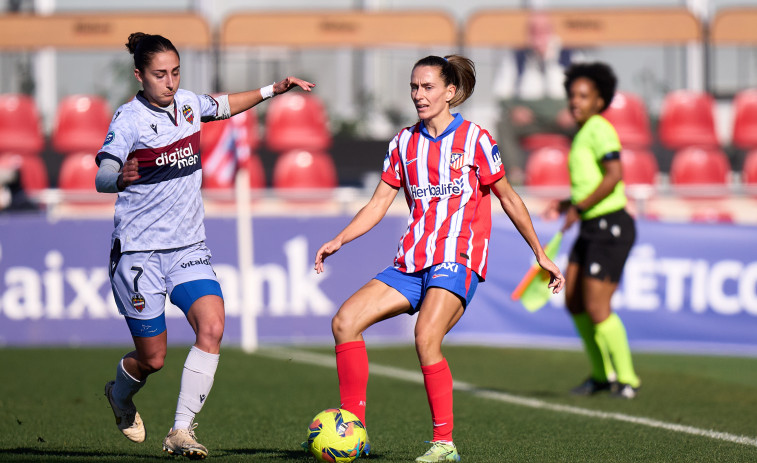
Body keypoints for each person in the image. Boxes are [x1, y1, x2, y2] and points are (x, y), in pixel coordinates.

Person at [314, 54, 564, 462]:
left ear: (450, 92)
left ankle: (444, 443)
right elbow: (379, 203)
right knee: (344, 322)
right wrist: (340, 239)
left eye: (427, 87)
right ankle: (352, 431)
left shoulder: (476, 140)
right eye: (414, 87)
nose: (419, 95)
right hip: (412, 260)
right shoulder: (403, 142)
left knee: (426, 337)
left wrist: (540, 253)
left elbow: (509, 198)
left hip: (458, 256)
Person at [96, 32, 314, 459]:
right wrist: (121, 176)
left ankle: (180, 430)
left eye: (176, 72)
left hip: (187, 248)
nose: (170, 82)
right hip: (139, 254)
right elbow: (102, 175)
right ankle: (120, 395)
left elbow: (227, 104)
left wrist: (274, 89)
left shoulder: (189, 105)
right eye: (160, 74)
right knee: (153, 359)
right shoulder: (129, 120)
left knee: (212, 327)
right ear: (139, 75)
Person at [543, 62, 641, 399]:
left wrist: (579, 207)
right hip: (590, 225)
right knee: (573, 302)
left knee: (598, 307)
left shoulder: (599, 128)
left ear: (600, 101)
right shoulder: (583, 132)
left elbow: (614, 175)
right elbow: (592, 182)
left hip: (610, 225)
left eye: (584, 96)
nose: (575, 101)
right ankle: (601, 376)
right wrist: (567, 202)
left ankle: (627, 379)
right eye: (572, 95)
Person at [493, 11, 580, 183]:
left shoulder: (570, 56)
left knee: (586, 125)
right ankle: (516, 176)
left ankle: (581, 173)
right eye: (534, 30)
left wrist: (573, 110)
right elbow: (501, 93)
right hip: (529, 118)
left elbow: (586, 90)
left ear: (551, 30)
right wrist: (514, 110)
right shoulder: (516, 59)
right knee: (503, 125)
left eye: (543, 29)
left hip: (563, 115)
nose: (538, 35)